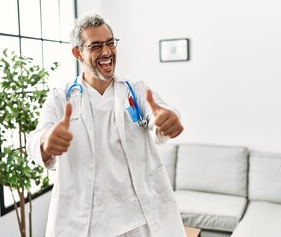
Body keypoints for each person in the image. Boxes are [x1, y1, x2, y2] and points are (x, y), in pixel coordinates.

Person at [27, 13, 186, 237]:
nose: (107, 52)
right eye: (96, 46)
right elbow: (37, 138)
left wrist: (169, 119)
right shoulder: (60, 99)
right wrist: (46, 141)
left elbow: (159, 111)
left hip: (140, 222)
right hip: (89, 226)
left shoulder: (136, 91)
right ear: (77, 53)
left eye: (111, 43)